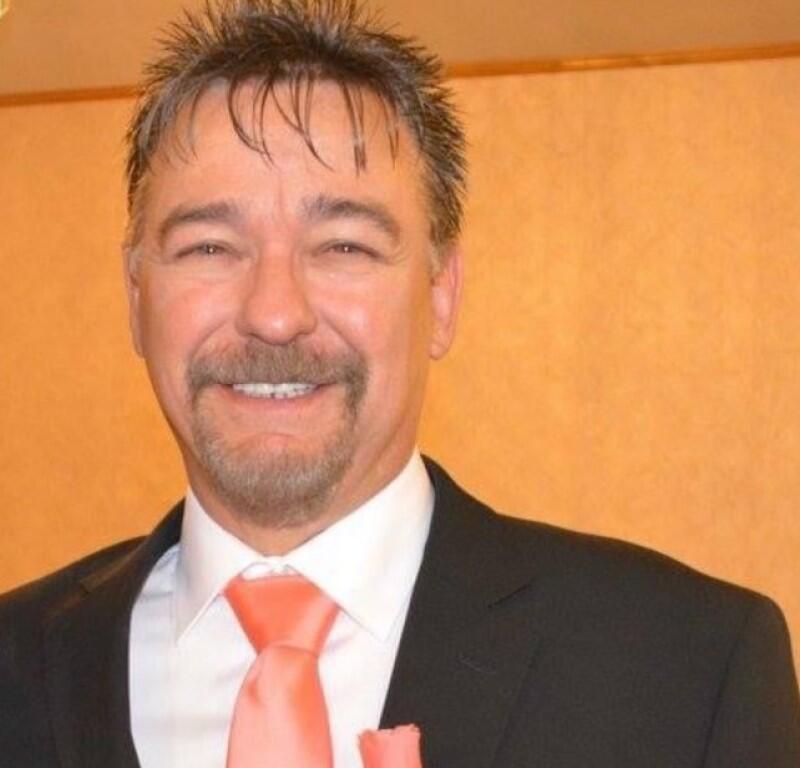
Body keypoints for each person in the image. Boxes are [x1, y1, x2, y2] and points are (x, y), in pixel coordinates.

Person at [1, 1, 798, 766]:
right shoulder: (15, 671)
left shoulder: (685, 671)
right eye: (209, 247)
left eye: (344, 247)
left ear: (441, 296)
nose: (274, 314)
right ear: (137, 298)